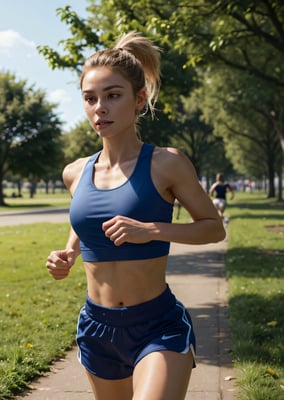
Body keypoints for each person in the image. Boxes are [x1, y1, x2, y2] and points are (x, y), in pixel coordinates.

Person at [46, 32, 226, 400]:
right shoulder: (75, 172)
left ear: (139, 99)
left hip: (156, 325)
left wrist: (152, 229)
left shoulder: (166, 163)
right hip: (98, 327)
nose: (101, 108)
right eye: (90, 98)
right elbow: (85, 222)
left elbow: (214, 229)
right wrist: (68, 253)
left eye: (113, 96)